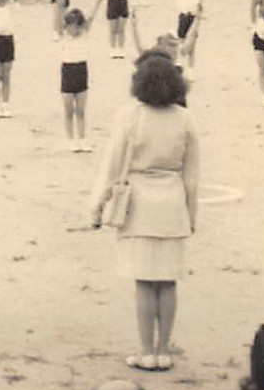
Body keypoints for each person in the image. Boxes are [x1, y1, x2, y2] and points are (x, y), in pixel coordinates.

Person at [86, 51, 200, 373]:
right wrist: (191, 215)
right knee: (167, 281)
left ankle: (146, 350)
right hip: (172, 204)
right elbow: (192, 176)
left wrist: (97, 205)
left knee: (144, 281)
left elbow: (111, 165)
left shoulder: (129, 116)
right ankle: (164, 350)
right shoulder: (185, 118)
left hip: (138, 205)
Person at [58, 0, 105, 152]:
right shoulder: (63, 36)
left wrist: (98, 1)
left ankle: (83, 139)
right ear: (67, 27)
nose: (76, 30)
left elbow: (91, 16)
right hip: (67, 71)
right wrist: (60, 7)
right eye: (72, 27)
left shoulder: (84, 34)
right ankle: (70, 139)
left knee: (81, 110)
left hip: (81, 71)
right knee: (69, 110)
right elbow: (58, 23)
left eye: (78, 26)